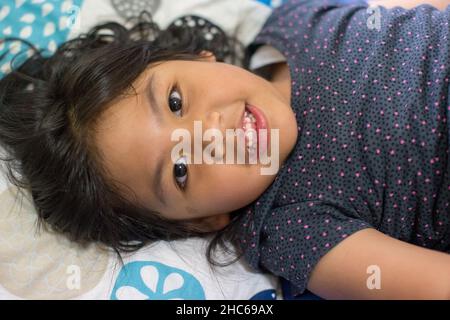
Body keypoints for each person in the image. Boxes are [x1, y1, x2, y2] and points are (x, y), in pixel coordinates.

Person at [0, 0, 449, 299]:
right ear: (200, 220)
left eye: (176, 102)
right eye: (180, 170)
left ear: (198, 58)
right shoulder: (292, 228)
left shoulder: (295, 24)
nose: (209, 136)